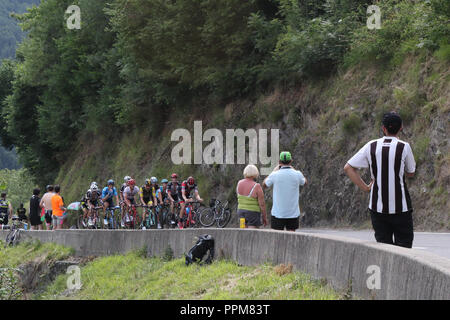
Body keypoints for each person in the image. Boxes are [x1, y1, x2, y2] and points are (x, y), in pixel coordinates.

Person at [344, 112, 416, 248]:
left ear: (383, 128)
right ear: (401, 127)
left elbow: (348, 168)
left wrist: (366, 187)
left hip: (377, 208)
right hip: (401, 208)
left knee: (385, 248)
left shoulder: (371, 146)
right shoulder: (404, 146)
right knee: (404, 248)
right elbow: (411, 172)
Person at [263, 152, 307, 232]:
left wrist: (273, 171)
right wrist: (293, 169)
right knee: (291, 238)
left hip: (278, 213)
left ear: (279, 162)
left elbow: (265, 184)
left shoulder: (275, 175)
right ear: (291, 161)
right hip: (293, 213)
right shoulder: (297, 174)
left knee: (277, 239)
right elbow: (305, 183)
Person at [236, 165, 267, 229]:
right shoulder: (257, 186)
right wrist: (264, 217)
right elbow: (262, 204)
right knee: (252, 234)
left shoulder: (239, 183)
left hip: (241, 212)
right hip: (252, 213)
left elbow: (239, 197)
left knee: (243, 230)